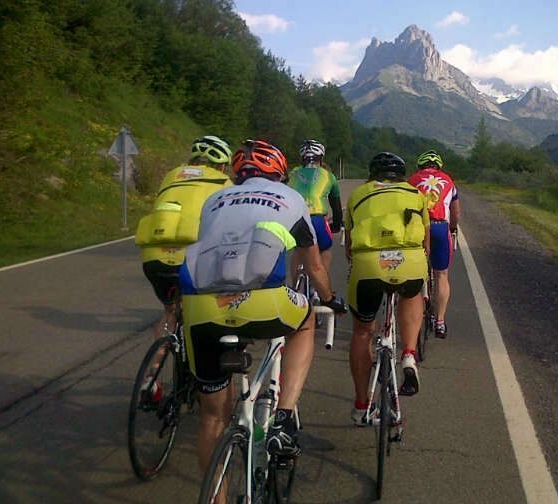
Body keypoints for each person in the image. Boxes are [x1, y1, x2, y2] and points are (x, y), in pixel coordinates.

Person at [178, 139, 342, 475]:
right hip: (264, 302)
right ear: (280, 174)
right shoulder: (291, 198)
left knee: (211, 417)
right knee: (306, 321)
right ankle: (283, 419)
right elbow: (314, 267)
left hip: (201, 306)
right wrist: (329, 299)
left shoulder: (214, 200)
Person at [344, 152, 430, 425]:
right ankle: (408, 354)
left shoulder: (358, 195)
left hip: (369, 265)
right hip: (410, 262)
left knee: (362, 332)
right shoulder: (415, 194)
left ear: (372, 175)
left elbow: (348, 247)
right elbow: (426, 242)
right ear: (402, 176)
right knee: (412, 294)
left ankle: (361, 406)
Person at [135, 135, 233, 343]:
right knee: (211, 313)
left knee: (170, 312)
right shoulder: (225, 183)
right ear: (222, 165)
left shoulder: (171, 176)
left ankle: (153, 370)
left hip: (154, 258)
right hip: (193, 259)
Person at [408, 150, 460, 339]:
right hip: (439, 227)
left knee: (411, 272)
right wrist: (453, 229)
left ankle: (412, 312)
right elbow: (455, 213)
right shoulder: (449, 180)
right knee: (441, 274)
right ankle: (440, 321)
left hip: (419, 228)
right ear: (439, 167)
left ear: (420, 166)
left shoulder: (412, 180)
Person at [287, 139, 342, 277]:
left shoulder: (293, 173)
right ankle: (321, 291)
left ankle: (296, 292)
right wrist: (336, 224)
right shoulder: (329, 176)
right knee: (325, 250)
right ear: (321, 158)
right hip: (317, 219)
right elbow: (336, 207)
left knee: (299, 251)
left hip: (294, 218)